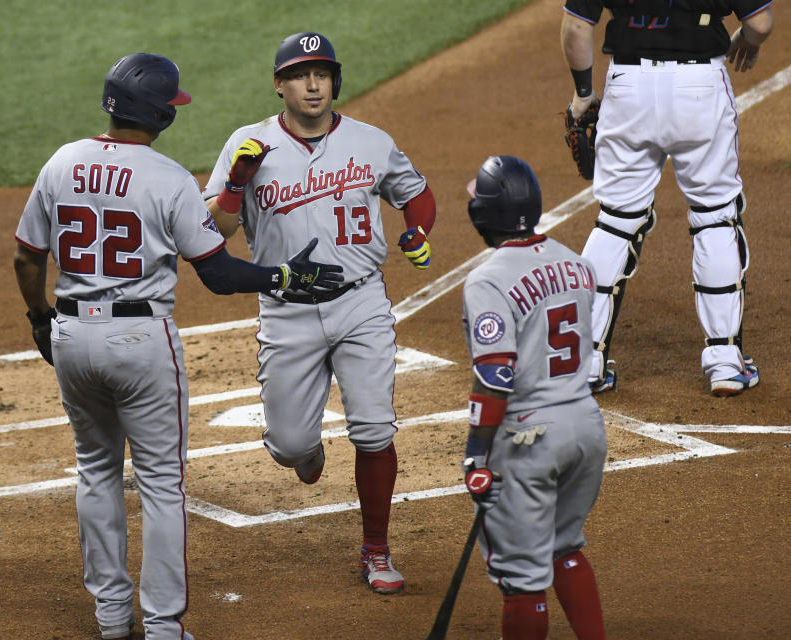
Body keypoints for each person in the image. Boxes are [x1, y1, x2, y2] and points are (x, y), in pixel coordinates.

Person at [12, 53, 342, 640]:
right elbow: (217, 273)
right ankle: (164, 627)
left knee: (95, 470)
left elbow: (26, 255)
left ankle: (112, 618)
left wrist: (40, 319)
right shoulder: (167, 178)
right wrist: (284, 277)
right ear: (162, 114)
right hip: (140, 341)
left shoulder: (61, 162)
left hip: (70, 333)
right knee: (162, 483)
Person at [201, 31, 437, 594]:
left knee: (375, 430)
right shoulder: (248, 143)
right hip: (288, 311)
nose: (313, 84)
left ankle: (376, 551)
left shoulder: (371, 141)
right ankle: (306, 454)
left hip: (361, 301)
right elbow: (215, 230)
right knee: (287, 445)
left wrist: (417, 231)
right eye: (301, 75)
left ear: (335, 81)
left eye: (323, 74)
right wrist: (236, 183)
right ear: (279, 84)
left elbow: (416, 195)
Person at [560, 1, 773, 397]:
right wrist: (746, 40)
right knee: (714, 215)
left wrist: (584, 93)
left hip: (628, 88)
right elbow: (759, 22)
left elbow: (576, 28)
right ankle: (725, 362)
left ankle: (584, 363)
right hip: (699, 89)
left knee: (616, 220)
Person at [461, 156, 608, 640]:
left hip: (528, 437)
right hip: (586, 426)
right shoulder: (578, 264)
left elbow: (496, 376)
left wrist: (476, 454)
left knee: (521, 577)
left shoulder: (487, 279)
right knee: (564, 547)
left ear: (483, 215)